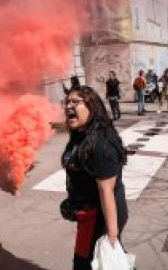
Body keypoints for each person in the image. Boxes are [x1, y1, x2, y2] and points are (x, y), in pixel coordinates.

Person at [61, 86, 128, 270]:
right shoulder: (82, 134)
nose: (68, 106)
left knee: (95, 262)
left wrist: (111, 233)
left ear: (92, 106)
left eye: (76, 102)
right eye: (67, 102)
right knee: (93, 262)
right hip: (89, 212)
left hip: (102, 216)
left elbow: (106, 190)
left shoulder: (101, 142)